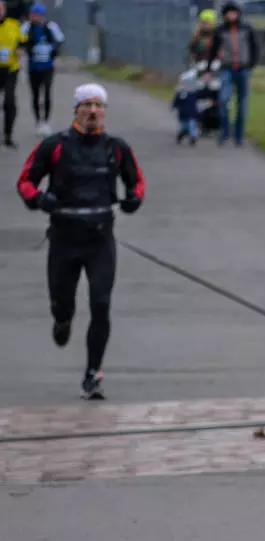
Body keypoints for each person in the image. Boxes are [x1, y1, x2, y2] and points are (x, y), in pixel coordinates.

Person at [16, 83, 146, 400]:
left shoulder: (117, 148)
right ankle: (62, 321)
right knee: (63, 302)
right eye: (86, 105)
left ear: (104, 112)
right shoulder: (54, 146)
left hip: (100, 238)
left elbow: (138, 183)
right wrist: (39, 199)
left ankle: (93, 374)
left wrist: (133, 200)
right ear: (76, 110)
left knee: (101, 304)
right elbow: (25, 182)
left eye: (98, 106)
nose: (92, 111)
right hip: (64, 238)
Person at [208, 0, 257, 147]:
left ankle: (239, 136)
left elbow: (254, 48)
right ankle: (225, 133)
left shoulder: (247, 29)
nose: (231, 16)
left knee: (242, 104)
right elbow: (214, 50)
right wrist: (209, 68)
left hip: (243, 69)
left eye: (234, 13)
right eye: (229, 13)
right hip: (227, 69)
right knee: (223, 100)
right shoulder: (221, 30)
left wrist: (251, 65)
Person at [21, 2, 64, 136]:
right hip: (33, 67)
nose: (35, 18)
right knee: (35, 94)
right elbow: (20, 40)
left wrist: (54, 52)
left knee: (46, 92)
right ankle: (38, 121)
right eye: (32, 15)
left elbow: (60, 41)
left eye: (37, 15)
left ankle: (45, 121)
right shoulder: (27, 28)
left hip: (47, 67)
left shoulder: (51, 27)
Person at [0, 0, 26, 148]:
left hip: (10, 69)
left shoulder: (13, 25)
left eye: (1, 8)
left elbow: (22, 41)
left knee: (9, 102)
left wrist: (20, 49)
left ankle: (8, 134)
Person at [172, 68, 200, 146]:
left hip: (192, 113)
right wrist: (174, 107)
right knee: (183, 127)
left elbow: (201, 97)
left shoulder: (194, 93)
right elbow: (176, 101)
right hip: (183, 114)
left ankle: (193, 138)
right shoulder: (181, 93)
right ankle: (180, 135)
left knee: (192, 125)